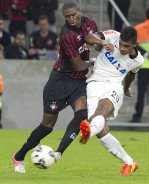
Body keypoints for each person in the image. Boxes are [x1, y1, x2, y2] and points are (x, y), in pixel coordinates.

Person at [12, 2, 112, 173]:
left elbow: (94, 42)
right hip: (59, 81)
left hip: (78, 82)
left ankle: (58, 152)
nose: (71, 19)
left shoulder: (90, 23)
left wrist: (98, 43)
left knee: (81, 114)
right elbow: (78, 65)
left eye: (74, 15)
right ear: (64, 17)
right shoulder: (66, 35)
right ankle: (19, 156)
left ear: (80, 12)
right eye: (67, 16)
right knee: (47, 126)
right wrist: (96, 62)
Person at [79, 26, 144, 176]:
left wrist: (126, 88)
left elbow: (131, 75)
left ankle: (88, 132)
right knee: (101, 130)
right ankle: (130, 162)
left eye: (126, 46)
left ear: (135, 44)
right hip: (94, 83)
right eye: (120, 44)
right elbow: (88, 37)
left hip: (114, 86)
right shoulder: (113, 35)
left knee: (102, 110)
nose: (121, 48)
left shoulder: (139, 60)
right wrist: (102, 42)